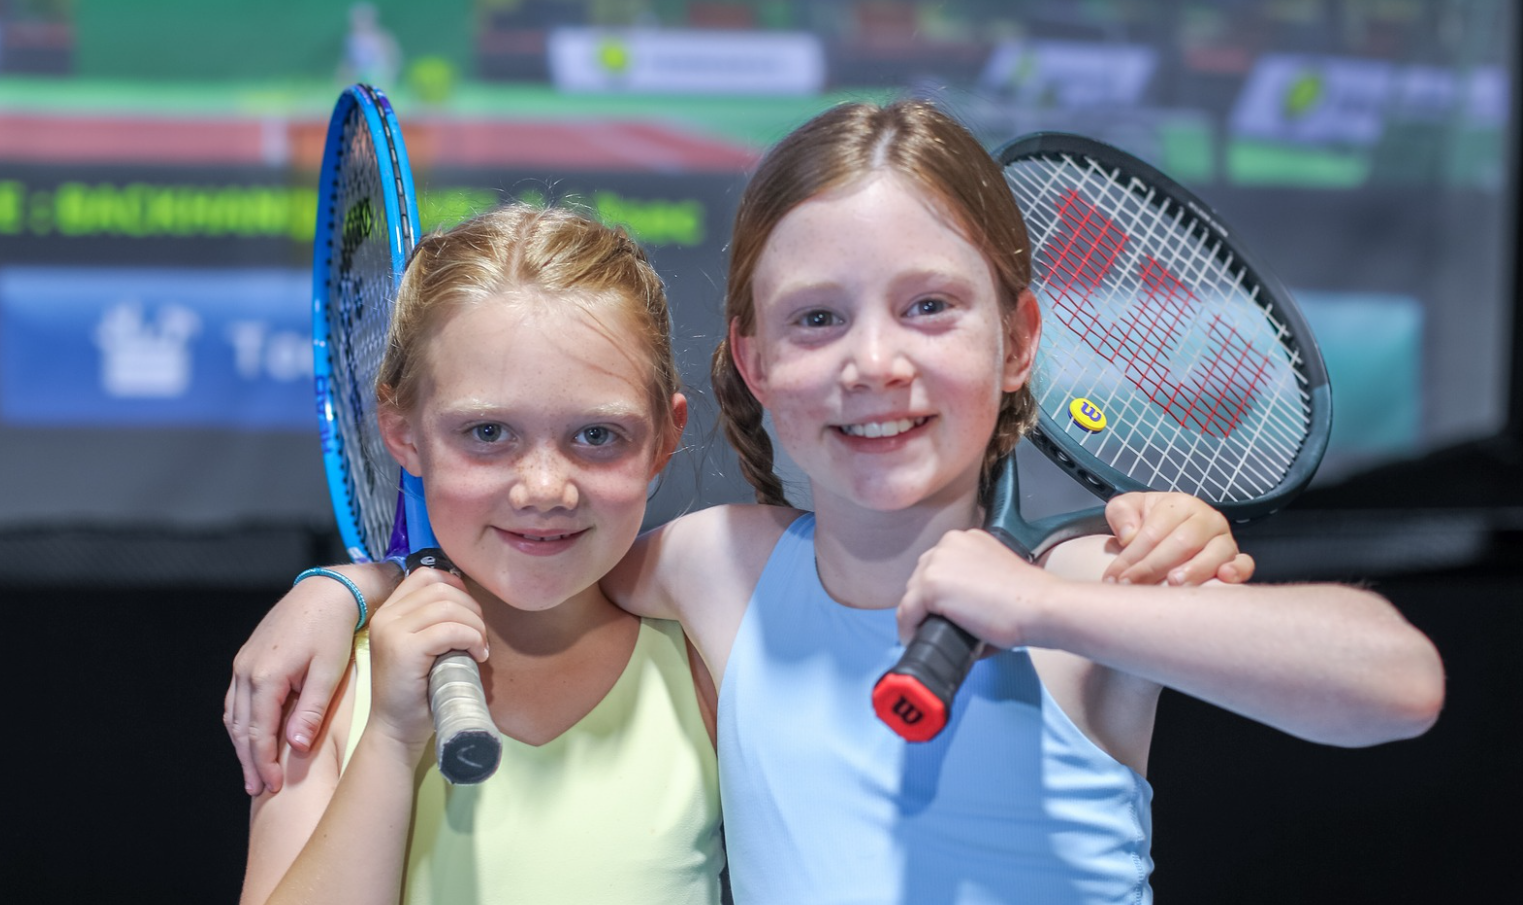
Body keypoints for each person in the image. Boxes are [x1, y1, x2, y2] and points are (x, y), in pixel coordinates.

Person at [232, 100, 1444, 904]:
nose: (875, 363)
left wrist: (1053, 604)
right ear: (754, 364)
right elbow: (533, 544)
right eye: (819, 317)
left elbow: (1397, 683)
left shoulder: (1089, 587)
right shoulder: (719, 570)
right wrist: (344, 584)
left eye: (930, 307)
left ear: (1021, 340)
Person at [239, 204, 725, 905]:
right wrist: (388, 737)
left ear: (663, 438)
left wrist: (352, 583)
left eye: (596, 435)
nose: (544, 488)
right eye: (488, 430)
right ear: (402, 431)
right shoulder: (330, 686)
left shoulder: (706, 666)